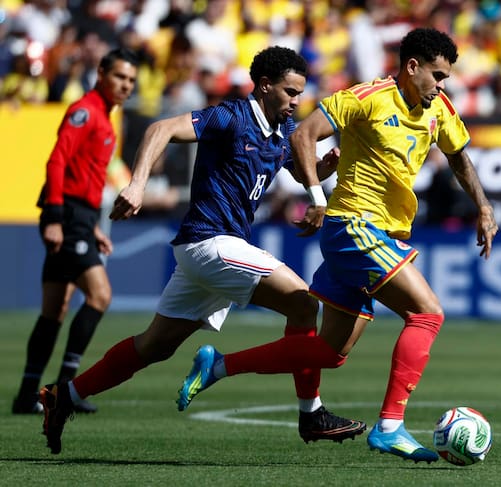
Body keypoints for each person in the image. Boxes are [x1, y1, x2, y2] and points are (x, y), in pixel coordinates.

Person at [176, 27, 499, 464]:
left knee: (332, 352)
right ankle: (390, 427)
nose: (443, 86)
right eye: (437, 75)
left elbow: (459, 155)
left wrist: (483, 207)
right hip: (354, 227)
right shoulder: (367, 97)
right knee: (427, 314)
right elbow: (303, 135)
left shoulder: (438, 107)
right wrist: (317, 198)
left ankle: (219, 365)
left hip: (383, 233)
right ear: (412, 67)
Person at [38, 46, 366, 455]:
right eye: (289, 91)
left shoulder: (280, 133)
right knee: (303, 305)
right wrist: (137, 184)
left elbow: (299, 171)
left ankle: (64, 395)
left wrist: (324, 169)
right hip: (210, 242)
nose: (296, 101)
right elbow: (160, 129)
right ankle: (311, 413)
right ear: (264, 86)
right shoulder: (230, 116)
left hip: (210, 253)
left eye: (299, 92)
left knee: (154, 346)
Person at [12, 48, 139, 415]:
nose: (125, 86)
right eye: (119, 77)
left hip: (78, 218)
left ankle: (26, 394)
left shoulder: (105, 118)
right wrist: (54, 217)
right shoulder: (85, 111)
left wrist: (93, 228)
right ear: (100, 73)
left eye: (131, 80)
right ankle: (66, 390)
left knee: (55, 308)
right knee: (100, 296)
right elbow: (57, 159)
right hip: (65, 214)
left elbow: (87, 178)